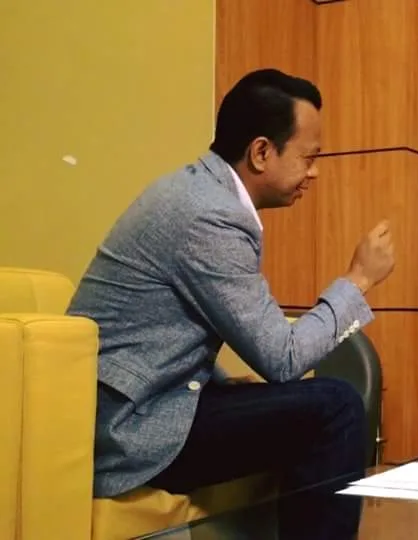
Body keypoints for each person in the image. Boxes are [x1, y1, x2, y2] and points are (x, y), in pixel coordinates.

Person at [66, 68, 394, 537]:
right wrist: (359, 279)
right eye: (308, 157)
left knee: (304, 403)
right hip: (131, 431)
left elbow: (166, 332)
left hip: (145, 407)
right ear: (261, 152)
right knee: (335, 407)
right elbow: (283, 359)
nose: (315, 172)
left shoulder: (195, 193)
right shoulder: (210, 216)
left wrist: (223, 384)